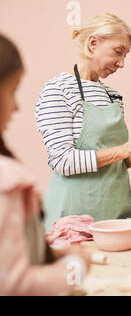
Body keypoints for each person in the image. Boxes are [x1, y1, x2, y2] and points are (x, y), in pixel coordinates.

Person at [35, 13, 131, 231]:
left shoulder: (112, 96)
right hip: (74, 220)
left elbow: (113, 162)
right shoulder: (57, 90)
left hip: (118, 214)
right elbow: (63, 162)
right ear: (93, 43)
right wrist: (125, 149)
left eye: (126, 55)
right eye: (118, 52)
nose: (122, 63)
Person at [0, 34, 91, 295]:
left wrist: (51, 253)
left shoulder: (112, 96)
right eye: (12, 89)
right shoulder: (6, 180)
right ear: (92, 45)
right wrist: (76, 267)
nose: (17, 106)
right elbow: (13, 284)